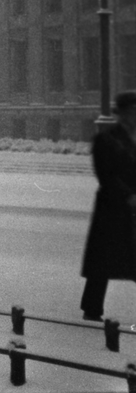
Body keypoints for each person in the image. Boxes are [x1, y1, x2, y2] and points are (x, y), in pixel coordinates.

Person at [80, 91, 136, 321]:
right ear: (121, 114)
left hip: (131, 207)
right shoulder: (106, 139)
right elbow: (106, 175)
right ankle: (92, 309)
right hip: (112, 208)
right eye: (133, 112)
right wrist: (128, 195)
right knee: (102, 262)